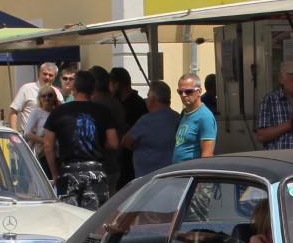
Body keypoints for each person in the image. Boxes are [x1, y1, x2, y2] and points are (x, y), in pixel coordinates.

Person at [43, 69, 119, 208]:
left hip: (68, 171)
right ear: (92, 89)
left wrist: (54, 173)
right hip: (96, 171)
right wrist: (97, 142)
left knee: (70, 217)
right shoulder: (103, 112)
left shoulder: (59, 112)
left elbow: (48, 145)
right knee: (93, 219)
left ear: (74, 88)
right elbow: (114, 143)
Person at [122, 81, 179, 178]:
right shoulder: (178, 118)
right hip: (171, 176)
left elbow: (126, 142)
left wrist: (137, 144)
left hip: (148, 179)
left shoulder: (146, 120)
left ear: (152, 98)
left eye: (148, 96)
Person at [255, 60, 293, 149]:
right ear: (282, 79)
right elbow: (261, 136)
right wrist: (289, 124)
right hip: (278, 159)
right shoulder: (269, 100)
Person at [171, 73, 216, 162]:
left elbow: (207, 156)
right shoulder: (185, 114)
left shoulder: (205, 117)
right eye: (180, 91)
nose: (183, 95)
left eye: (188, 91)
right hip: (179, 172)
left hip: (191, 173)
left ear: (199, 91)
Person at [10, 63, 58, 131]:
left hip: (49, 137)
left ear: (55, 77)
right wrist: (14, 134)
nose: (47, 77)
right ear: (39, 73)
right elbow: (13, 112)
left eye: (50, 75)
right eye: (44, 74)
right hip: (28, 136)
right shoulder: (26, 89)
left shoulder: (57, 93)